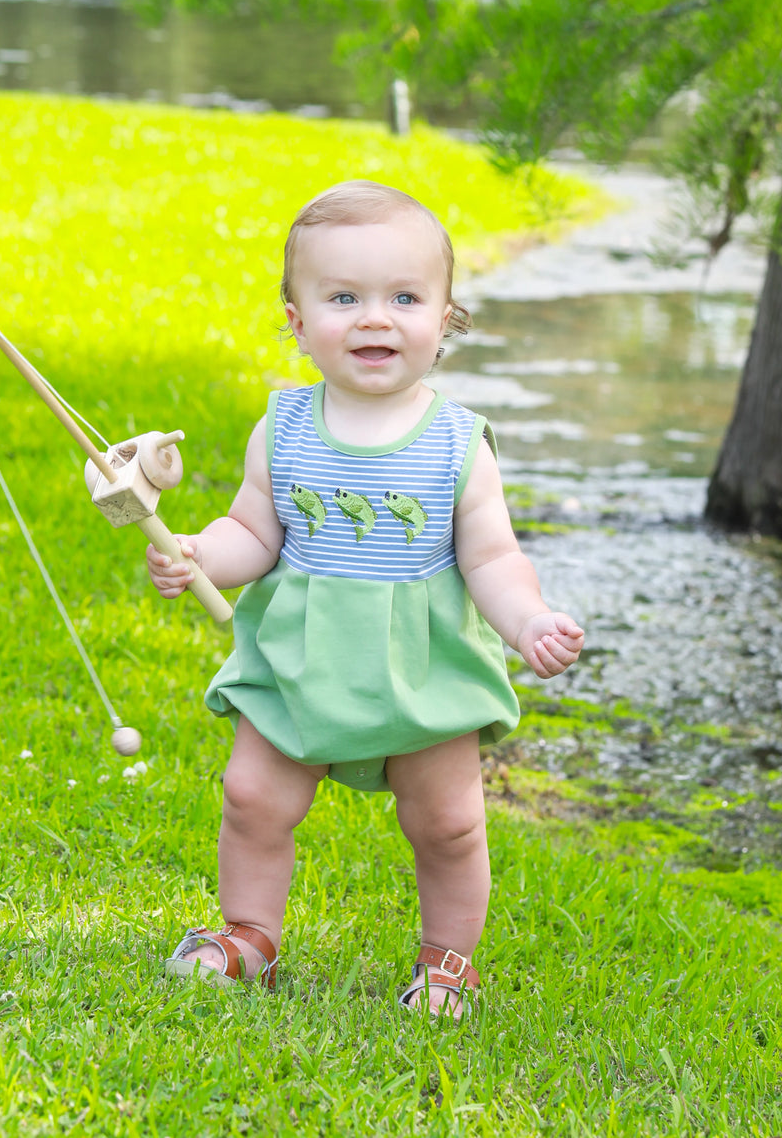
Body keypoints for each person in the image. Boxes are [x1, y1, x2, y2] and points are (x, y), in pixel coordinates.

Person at [146, 179, 584, 1017]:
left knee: (448, 823)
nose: (375, 318)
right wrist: (202, 553)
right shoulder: (284, 426)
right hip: (304, 659)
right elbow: (255, 530)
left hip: (421, 665)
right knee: (252, 797)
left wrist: (527, 621)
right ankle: (248, 937)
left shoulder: (459, 442)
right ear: (297, 319)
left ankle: (447, 962)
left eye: (405, 298)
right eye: (343, 297)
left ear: (446, 318)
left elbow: (491, 557)